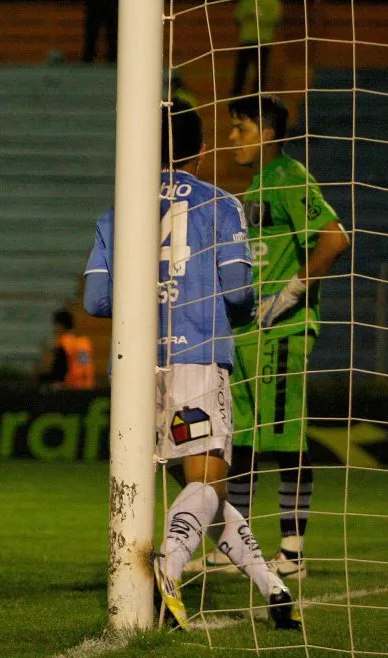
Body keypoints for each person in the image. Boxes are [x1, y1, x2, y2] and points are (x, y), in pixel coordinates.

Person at [83, 101, 300, 631]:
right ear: (200, 152)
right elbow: (240, 291)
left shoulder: (119, 210)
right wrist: (243, 311)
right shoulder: (220, 204)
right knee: (207, 484)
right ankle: (170, 566)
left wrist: (147, 299)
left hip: (136, 371)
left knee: (206, 491)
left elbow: (94, 299)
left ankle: (271, 587)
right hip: (197, 361)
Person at [186, 95, 350, 580]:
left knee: (285, 437)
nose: (233, 138)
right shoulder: (258, 185)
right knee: (248, 441)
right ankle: (235, 544)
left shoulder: (290, 177)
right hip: (252, 334)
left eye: (241, 129)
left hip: (283, 330)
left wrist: (291, 293)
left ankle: (293, 551)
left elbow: (335, 237)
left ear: (268, 132)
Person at [36, 309, 95, 391]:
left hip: (71, 385)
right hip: (86, 384)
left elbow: (59, 366)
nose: (54, 329)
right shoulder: (84, 341)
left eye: (55, 325)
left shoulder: (65, 341)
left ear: (60, 325)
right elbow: (84, 364)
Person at [231, 0, 282, 96]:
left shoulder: (273, 2)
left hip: (264, 41)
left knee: (261, 69)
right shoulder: (246, 2)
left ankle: (257, 94)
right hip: (246, 39)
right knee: (241, 68)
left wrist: (256, 16)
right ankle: (236, 93)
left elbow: (275, 19)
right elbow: (238, 17)